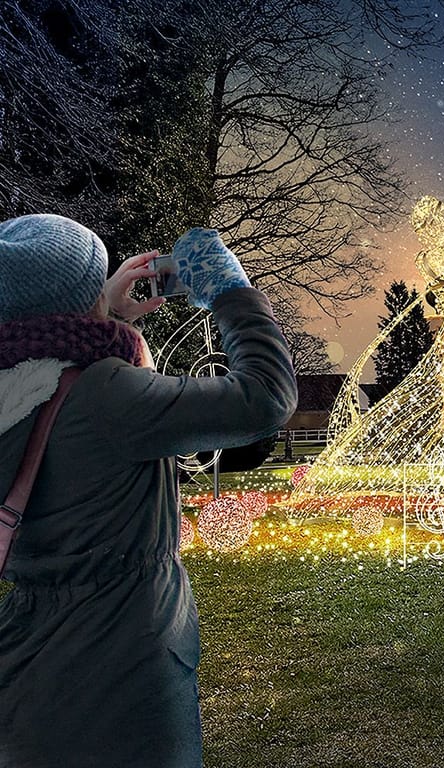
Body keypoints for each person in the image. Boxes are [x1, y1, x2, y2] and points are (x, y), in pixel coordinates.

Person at [0, 215, 298, 767]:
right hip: (123, 675)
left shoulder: (19, 392)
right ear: (82, 295)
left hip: (27, 676)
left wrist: (102, 313)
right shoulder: (106, 398)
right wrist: (233, 294)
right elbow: (265, 399)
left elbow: (66, 392)